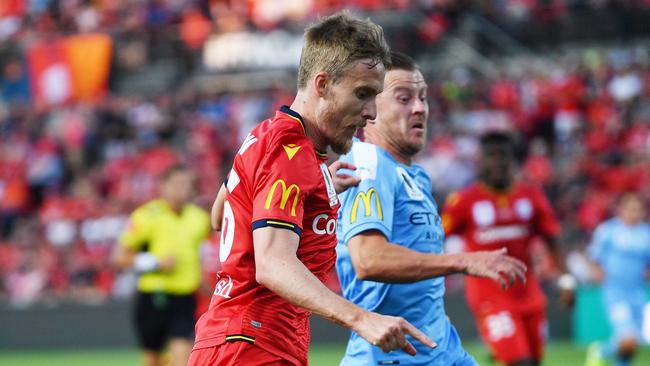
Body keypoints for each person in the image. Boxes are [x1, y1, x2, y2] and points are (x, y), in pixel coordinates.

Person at [189, 11, 434, 366]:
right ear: (322, 85)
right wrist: (362, 318)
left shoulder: (267, 133)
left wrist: (315, 186)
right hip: (252, 342)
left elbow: (219, 214)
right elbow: (272, 264)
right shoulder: (292, 154)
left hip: (247, 339)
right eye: (362, 94)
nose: (370, 112)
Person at [334, 51, 527, 366]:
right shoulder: (368, 164)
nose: (420, 107)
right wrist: (463, 261)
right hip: (392, 358)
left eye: (422, 97)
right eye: (404, 98)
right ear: (370, 108)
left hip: (441, 349)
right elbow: (368, 258)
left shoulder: (417, 176)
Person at [442, 132, 575, 366]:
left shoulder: (530, 196)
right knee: (519, 362)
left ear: (512, 160)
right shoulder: (463, 201)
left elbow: (552, 238)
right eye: (491, 156)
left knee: (533, 361)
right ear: (479, 161)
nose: (497, 162)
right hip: (489, 296)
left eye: (503, 156)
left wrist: (566, 280)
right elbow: (436, 238)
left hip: (530, 294)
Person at [112, 164, 211, 366]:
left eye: (186, 184)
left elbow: (197, 259)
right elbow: (119, 258)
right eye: (176, 183)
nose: (182, 189)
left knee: (183, 356)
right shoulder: (146, 216)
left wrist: (210, 291)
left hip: (184, 298)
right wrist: (154, 262)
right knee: (152, 360)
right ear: (163, 186)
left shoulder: (199, 219)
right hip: (153, 297)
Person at [584, 192, 650, 366]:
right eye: (630, 208)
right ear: (621, 210)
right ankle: (600, 351)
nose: (634, 212)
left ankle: (610, 355)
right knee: (628, 338)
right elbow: (593, 256)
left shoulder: (646, 234)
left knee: (631, 346)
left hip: (637, 293)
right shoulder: (608, 231)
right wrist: (597, 272)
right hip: (615, 292)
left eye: (637, 209)